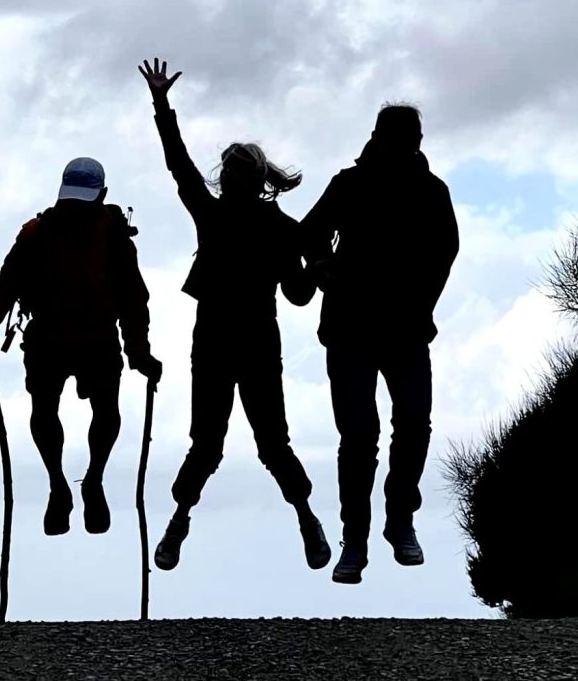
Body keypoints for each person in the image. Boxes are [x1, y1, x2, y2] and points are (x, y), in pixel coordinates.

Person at [138, 58, 331, 573]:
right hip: (249, 344)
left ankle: (182, 522)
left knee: (214, 443)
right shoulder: (276, 227)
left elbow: (178, 166)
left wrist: (161, 104)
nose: (225, 179)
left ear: (233, 180)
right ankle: (305, 520)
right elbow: (298, 295)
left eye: (229, 173)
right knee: (265, 443)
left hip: (224, 343)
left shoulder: (220, 217)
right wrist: (316, 264)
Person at [0, 157, 162, 535]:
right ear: (102, 193)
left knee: (55, 411)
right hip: (83, 339)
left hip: (56, 339)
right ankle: (80, 484)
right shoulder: (99, 234)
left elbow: (7, 284)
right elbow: (133, 300)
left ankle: (68, 486)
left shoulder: (42, 231)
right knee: (96, 411)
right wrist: (138, 353)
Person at [299, 102, 459, 584]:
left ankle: (399, 521)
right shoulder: (349, 184)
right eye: (395, 136)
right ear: (379, 136)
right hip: (350, 328)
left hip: (406, 329)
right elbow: (311, 233)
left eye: (406, 136)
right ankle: (357, 539)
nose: (400, 144)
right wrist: (326, 269)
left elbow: (445, 251)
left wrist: (421, 302)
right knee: (359, 435)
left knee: (412, 423)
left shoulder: (431, 191)